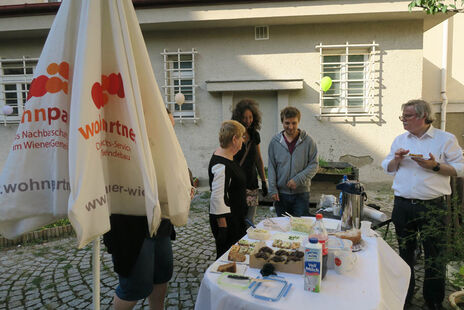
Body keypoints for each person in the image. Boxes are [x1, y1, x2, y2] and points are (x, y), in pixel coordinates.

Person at [103, 108, 194, 310]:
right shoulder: (127, 147)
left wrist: (183, 187)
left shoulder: (163, 150)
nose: (170, 134)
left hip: (161, 224)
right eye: (167, 128)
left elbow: (177, 175)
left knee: (161, 278)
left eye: (171, 128)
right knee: (132, 288)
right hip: (131, 229)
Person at [381, 99, 464, 310]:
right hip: (403, 205)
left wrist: (435, 166)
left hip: (433, 207)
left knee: (434, 255)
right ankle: (404, 295)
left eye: (407, 116)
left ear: (423, 116)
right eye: (403, 116)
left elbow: (461, 167)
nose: (403, 120)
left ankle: (433, 300)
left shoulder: (445, 139)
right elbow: (388, 167)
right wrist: (397, 159)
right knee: (404, 253)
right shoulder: (400, 139)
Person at [268, 106, 318, 217]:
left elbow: (314, 165)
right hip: (281, 195)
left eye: (294, 123)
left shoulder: (309, 141)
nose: (290, 127)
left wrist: (298, 179)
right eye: (287, 123)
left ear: (298, 121)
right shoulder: (275, 142)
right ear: (282, 122)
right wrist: (272, 188)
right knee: (282, 229)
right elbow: (271, 166)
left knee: (301, 228)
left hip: (301, 194)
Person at [208, 120, 247, 259]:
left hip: (236, 218)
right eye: (242, 136)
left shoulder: (228, 156)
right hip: (229, 224)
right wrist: (223, 229)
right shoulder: (221, 165)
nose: (243, 140)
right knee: (227, 258)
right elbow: (217, 198)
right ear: (234, 139)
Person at [231, 99, 267, 225]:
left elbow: (258, 159)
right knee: (237, 219)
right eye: (245, 117)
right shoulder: (233, 136)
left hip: (251, 183)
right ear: (238, 118)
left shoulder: (254, 135)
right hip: (236, 185)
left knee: (249, 220)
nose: (248, 120)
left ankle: (248, 243)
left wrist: (263, 180)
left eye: (250, 117)